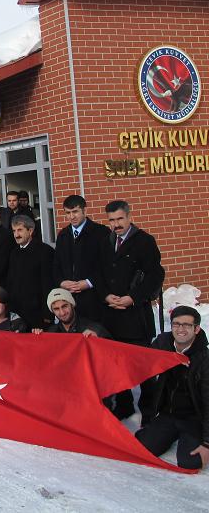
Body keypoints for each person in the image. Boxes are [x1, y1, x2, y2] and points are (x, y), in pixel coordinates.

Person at [97, 200, 164, 419]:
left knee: (141, 364)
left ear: (128, 216)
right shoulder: (106, 242)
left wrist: (132, 298)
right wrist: (106, 295)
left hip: (135, 314)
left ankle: (149, 409)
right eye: (111, 220)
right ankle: (124, 405)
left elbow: (155, 276)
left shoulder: (144, 241)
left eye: (119, 219)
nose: (116, 224)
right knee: (116, 364)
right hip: (111, 313)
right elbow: (99, 274)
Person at [136, 306, 209, 470]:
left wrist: (207, 443)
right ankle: (157, 433)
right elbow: (138, 361)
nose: (180, 329)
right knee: (142, 448)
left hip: (192, 418)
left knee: (190, 463)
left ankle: (187, 438)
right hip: (167, 415)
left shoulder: (204, 359)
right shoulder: (162, 344)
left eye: (186, 325)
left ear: (196, 329)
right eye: (176, 324)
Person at [53, 194, 110, 322]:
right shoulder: (63, 235)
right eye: (68, 213)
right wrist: (62, 282)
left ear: (85, 210)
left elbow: (106, 265)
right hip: (69, 299)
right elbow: (56, 265)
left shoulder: (101, 233)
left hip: (94, 298)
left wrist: (89, 282)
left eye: (75, 212)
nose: (71, 216)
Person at [4, 214, 54, 330]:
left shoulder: (45, 251)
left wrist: (47, 315)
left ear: (30, 231)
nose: (16, 234)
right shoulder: (14, 253)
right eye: (14, 231)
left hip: (38, 314)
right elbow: (11, 282)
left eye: (20, 230)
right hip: (17, 314)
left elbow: (48, 285)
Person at [31, 288, 110, 337]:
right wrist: (39, 338)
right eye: (56, 309)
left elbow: (112, 351)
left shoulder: (93, 328)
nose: (62, 313)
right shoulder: (51, 332)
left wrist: (98, 338)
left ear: (72, 305)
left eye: (64, 306)